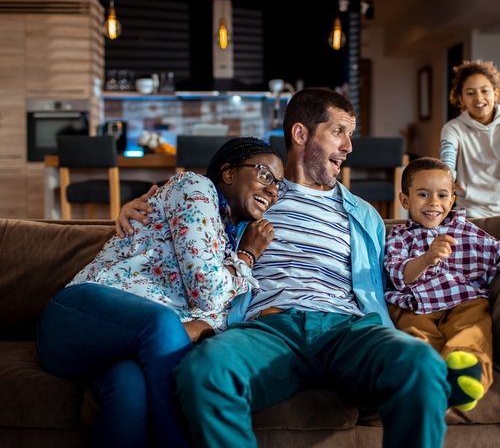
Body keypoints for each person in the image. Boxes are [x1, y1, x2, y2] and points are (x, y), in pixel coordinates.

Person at [118, 87, 487, 448]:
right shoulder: (252, 197)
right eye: (339, 132)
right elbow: (187, 212)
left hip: (348, 329)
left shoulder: (365, 215)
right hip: (270, 328)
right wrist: (137, 209)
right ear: (300, 134)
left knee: (420, 363)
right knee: (203, 372)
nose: (349, 147)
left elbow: (406, 264)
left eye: (351, 135)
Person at [36, 136, 286, 448]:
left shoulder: (228, 242)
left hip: (124, 349)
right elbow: (207, 292)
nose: (272, 190)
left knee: (130, 389)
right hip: (76, 319)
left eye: (278, 185)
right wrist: (247, 257)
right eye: (265, 175)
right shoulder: (195, 187)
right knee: (161, 323)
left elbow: (220, 314)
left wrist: (206, 319)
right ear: (229, 173)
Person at [385, 156, 500, 412]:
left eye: (442, 195)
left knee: (474, 329)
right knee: (416, 334)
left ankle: (465, 373)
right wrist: (427, 258)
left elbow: (497, 253)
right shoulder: (399, 236)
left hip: (464, 300)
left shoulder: (467, 231)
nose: (433, 203)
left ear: (452, 200)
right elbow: (398, 275)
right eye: (423, 194)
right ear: (405, 200)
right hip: (416, 304)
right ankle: (427, 376)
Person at [440, 59, 500, 218]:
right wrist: (448, 180)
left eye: (484, 91)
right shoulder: (453, 128)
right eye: (470, 93)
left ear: (496, 93)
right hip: (470, 212)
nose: (478, 98)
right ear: (461, 99)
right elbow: (447, 162)